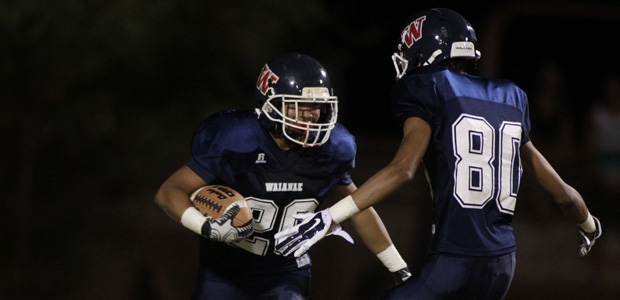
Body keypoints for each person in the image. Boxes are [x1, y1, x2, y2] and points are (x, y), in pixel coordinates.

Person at [274, 9, 602, 300]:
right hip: (502, 267)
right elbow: (561, 192)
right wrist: (588, 224)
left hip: (454, 262)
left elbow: (403, 169)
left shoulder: (426, 86)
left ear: (423, 57)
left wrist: (330, 216)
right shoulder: (511, 97)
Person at [154, 53, 411, 300]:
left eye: (317, 107)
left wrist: (398, 268)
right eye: (300, 107)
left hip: (286, 272)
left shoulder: (332, 149)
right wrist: (205, 226)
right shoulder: (236, 139)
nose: (311, 115)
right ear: (271, 105)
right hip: (224, 273)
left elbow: (358, 207)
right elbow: (170, 191)